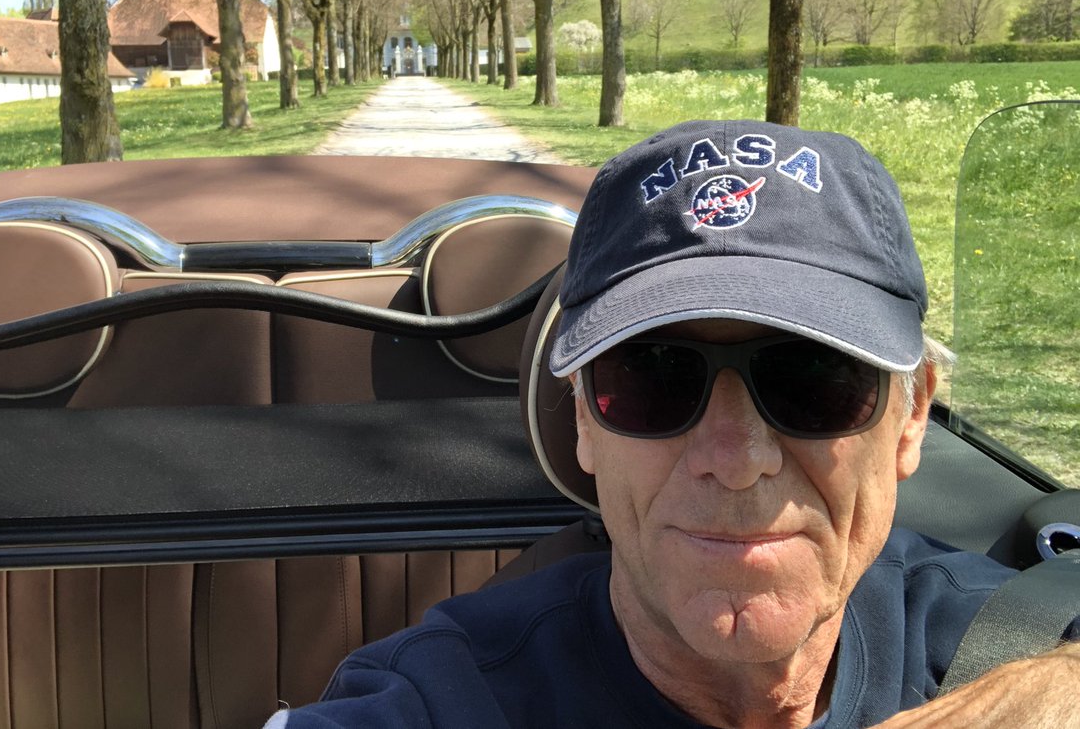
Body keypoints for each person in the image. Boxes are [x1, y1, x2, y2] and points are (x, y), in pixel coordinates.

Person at [266, 120, 1079, 728]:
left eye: (814, 378)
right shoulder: (444, 697)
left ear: (911, 415)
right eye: (651, 377)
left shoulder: (1000, 634)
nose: (736, 456)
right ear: (583, 419)